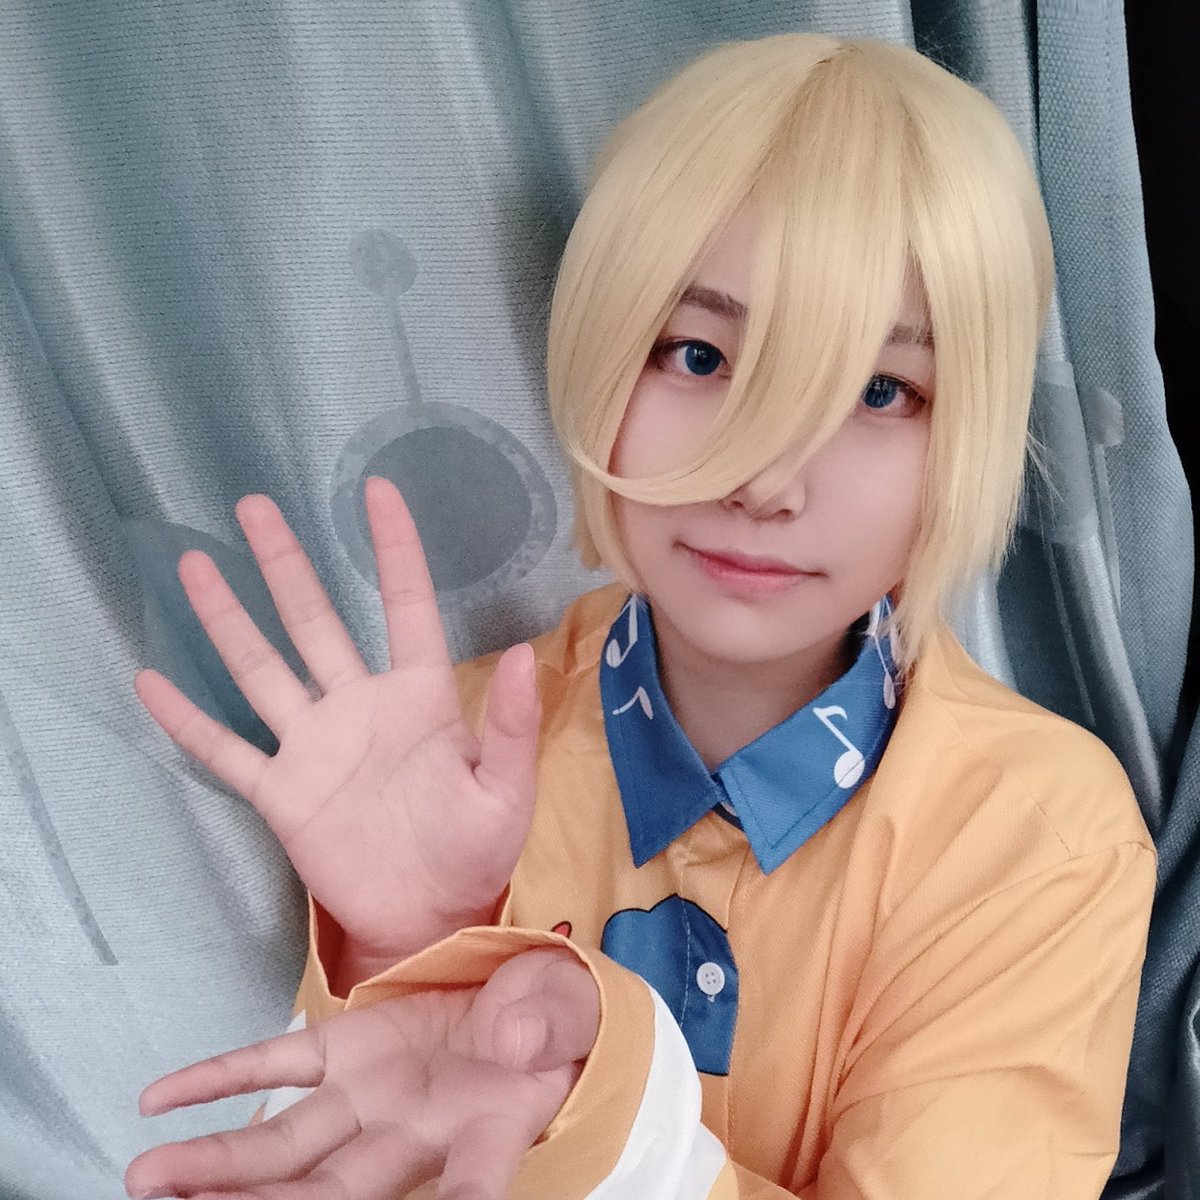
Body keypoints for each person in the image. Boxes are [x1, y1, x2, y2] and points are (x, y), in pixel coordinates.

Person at [122, 31, 1155, 1200]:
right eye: (700, 356)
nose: (767, 479)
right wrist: (404, 953)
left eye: (880, 390)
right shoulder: (432, 766)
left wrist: (614, 1117)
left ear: (965, 434)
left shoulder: (1037, 839)